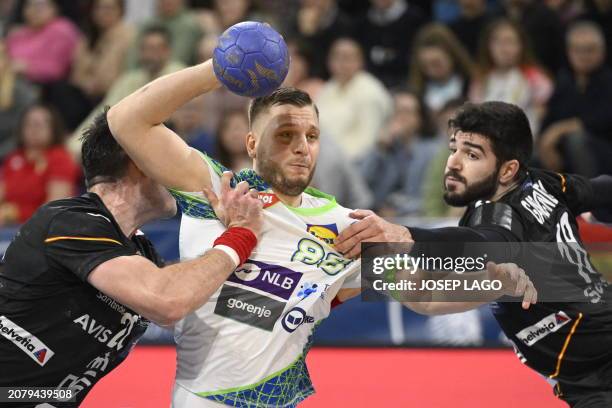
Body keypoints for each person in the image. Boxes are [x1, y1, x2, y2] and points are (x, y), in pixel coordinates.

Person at [107, 58, 537, 407]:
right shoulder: (217, 190)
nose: (302, 146)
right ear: (253, 143)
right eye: (286, 134)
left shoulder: (344, 225)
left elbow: (423, 297)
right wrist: (219, 69)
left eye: (312, 135)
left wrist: (498, 281)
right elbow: (126, 119)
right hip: (203, 399)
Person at [335, 101, 612, 408]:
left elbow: (479, 242)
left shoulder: (497, 220)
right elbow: (428, 297)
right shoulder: (544, 182)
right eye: (454, 148)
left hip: (599, 370)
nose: (453, 162)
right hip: (586, 378)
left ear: (508, 169)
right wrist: (378, 258)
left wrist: (404, 235)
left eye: (472, 154)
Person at [0, 108, 263, 406]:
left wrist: (317, 287)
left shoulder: (139, 252)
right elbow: (168, 299)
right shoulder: (70, 220)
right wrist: (240, 235)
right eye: (168, 162)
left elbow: (194, 292)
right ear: (139, 164)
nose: (176, 176)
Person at [538, 21, 612, 176]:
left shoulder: (608, 80)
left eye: (589, 49)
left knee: (576, 140)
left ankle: (590, 196)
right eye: (577, 49)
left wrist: (558, 130)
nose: (583, 55)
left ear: (602, 51)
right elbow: (550, 117)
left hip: (602, 153)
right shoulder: (565, 80)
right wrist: (545, 143)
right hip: (563, 153)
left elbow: (602, 119)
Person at [469, 18, 553, 134]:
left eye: (510, 42)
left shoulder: (534, 77)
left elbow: (541, 112)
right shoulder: (481, 79)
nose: (503, 49)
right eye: (497, 42)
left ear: (521, 46)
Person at [0, 103, 79, 225]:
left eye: (40, 124)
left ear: (53, 128)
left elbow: (55, 208)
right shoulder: (13, 158)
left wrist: (17, 213)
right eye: (29, 124)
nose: (34, 129)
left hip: (45, 229)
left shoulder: (60, 158)